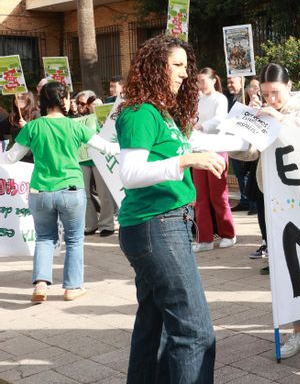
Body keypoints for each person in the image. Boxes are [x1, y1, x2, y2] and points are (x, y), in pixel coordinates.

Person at [114, 35, 227, 381]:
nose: (184, 74)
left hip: (161, 226)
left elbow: (199, 142)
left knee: (155, 324)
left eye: (186, 66)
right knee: (195, 333)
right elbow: (130, 174)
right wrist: (185, 161)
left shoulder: (162, 113)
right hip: (156, 227)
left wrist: (260, 134)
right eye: (176, 66)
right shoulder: (140, 112)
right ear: (154, 67)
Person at [228, 63, 300, 364]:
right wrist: (228, 136)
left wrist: (280, 122)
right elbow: (251, 152)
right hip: (271, 196)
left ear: (289, 87)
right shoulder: (262, 110)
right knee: (283, 266)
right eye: (265, 94)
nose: (271, 99)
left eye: (275, 93)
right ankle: (298, 330)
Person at [0, 81, 118, 303]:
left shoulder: (33, 127)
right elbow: (107, 148)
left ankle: (41, 285)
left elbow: (11, 157)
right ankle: (72, 288)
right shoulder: (75, 126)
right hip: (71, 190)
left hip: (40, 191)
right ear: (64, 100)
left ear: (43, 101)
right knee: (74, 240)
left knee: (44, 238)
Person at [191, 68, 236, 252]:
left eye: (203, 80)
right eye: (198, 81)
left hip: (217, 150)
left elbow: (220, 120)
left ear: (212, 80)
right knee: (200, 196)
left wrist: (201, 125)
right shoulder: (199, 100)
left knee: (218, 195)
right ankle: (204, 239)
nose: (200, 85)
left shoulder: (220, 98)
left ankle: (228, 234)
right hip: (200, 150)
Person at [75, 90, 116, 237]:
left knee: (103, 192)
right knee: (84, 193)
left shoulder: (106, 120)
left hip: (99, 159)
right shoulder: (78, 119)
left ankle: (107, 225)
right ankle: (90, 224)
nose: (96, 107)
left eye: (99, 104)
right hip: (83, 159)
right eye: (93, 104)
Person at [225, 76, 250, 213]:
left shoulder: (245, 97)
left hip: (244, 141)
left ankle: (249, 201)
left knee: (245, 172)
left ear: (241, 82)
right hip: (232, 141)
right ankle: (244, 199)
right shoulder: (229, 98)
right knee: (239, 173)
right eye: (228, 82)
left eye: (232, 82)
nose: (229, 84)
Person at [1, 91, 39, 161]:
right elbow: (3, 130)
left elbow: (41, 136)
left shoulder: (37, 114)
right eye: (16, 98)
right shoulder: (13, 116)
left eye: (22, 97)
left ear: (29, 99)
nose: (18, 99)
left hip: (32, 158)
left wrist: (27, 127)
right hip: (16, 157)